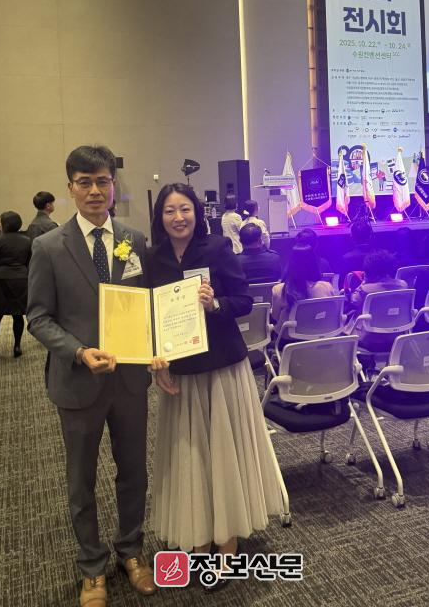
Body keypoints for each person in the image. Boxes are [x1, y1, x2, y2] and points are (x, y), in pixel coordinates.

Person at [27, 145, 155, 606]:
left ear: (113, 186)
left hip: (129, 381)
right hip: (78, 381)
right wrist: (78, 352)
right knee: (80, 480)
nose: (95, 190)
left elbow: (148, 303)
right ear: (70, 188)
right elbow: (38, 318)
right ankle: (91, 567)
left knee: (134, 471)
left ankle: (131, 550)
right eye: (85, 182)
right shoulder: (48, 246)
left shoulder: (134, 240)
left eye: (102, 181)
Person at [147, 183, 281, 583]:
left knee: (224, 450)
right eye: (170, 211)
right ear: (160, 217)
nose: (178, 218)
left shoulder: (218, 248)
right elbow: (151, 316)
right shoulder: (153, 258)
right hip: (182, 369)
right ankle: (199, 534)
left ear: (197, 212)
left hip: (222, 365)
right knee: (192, 454)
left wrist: (215, 303)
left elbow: (243, 300)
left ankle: (227, 541)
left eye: (185, 209)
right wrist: (156, 362)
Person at [0, 211, 32, 361]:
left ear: (4, 224)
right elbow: (29, 260)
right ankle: (17, 346)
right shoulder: (27, 240)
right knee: (17, 314)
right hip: (21, 278)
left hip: (2, 278)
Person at [271, 243, 335, 341]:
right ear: (314, 264)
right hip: (318, 338)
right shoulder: (327, 287)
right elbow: (331, 313)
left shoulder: (279, 290)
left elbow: (275, 317)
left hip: (289, 341)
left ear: (290, 265)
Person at [349, 250, 407, 354]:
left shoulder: (365, 289)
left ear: (369, 271)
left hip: (369, 338)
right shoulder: (403, 285)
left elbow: (354, 301)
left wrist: (364, 281)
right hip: (396, 335)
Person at [338, 219, 374, 287]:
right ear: (370, 236)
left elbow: (341, 285)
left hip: (353, 293)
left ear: (351, 237)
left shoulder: (346, 258)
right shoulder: (378, 257)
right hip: (374, 292)